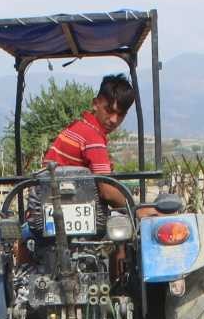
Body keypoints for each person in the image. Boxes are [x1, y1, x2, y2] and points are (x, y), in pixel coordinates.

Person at [43, 74, 155, 216]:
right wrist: (137, 210)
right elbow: (107, 192)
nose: (114, 120)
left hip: (58, 202)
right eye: (109, 111)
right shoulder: (92, 137)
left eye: (121, 115)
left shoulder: (79, 127)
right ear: (95, 104)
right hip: (64, 206)